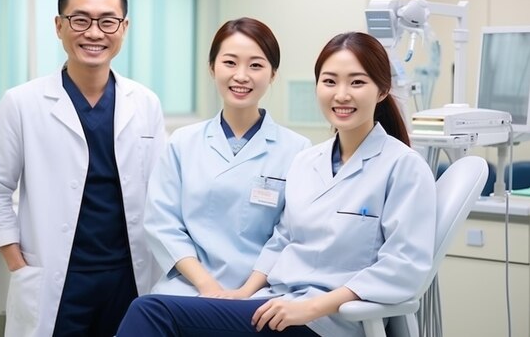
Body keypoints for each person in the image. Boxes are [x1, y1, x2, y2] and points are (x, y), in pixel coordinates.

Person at [115, 31, 436, 337]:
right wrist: (243, 293)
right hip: (275, 303)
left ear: (381, 90)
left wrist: (311, 308)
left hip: (325, 320)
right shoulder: (309, 161)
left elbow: (403, 267)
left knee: (152, 312)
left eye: (357, 82)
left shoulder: (403, 167)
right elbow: (283, 238)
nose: (341, 94)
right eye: (329, 81)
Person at [0, 0, 165, 336]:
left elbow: (162, 189)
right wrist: (17, 263)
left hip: (130, 276)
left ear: (124, 28)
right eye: (80, 20)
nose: (94, 33)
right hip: (57, 280)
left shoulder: (145, 103)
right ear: (59, 26)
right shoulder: (22, 102)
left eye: (108, 22)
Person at [143, 17, 311, 297]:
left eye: (256, 65)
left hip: (261, 292)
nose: (242, 75)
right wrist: (206, 285)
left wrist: (245, 291)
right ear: (212, 68)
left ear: (272, 74)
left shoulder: (297, 151)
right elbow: (163, 223)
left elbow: (288, 234)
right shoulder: (183, 142)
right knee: (143, 314)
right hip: (187, 287)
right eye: (230, 63)